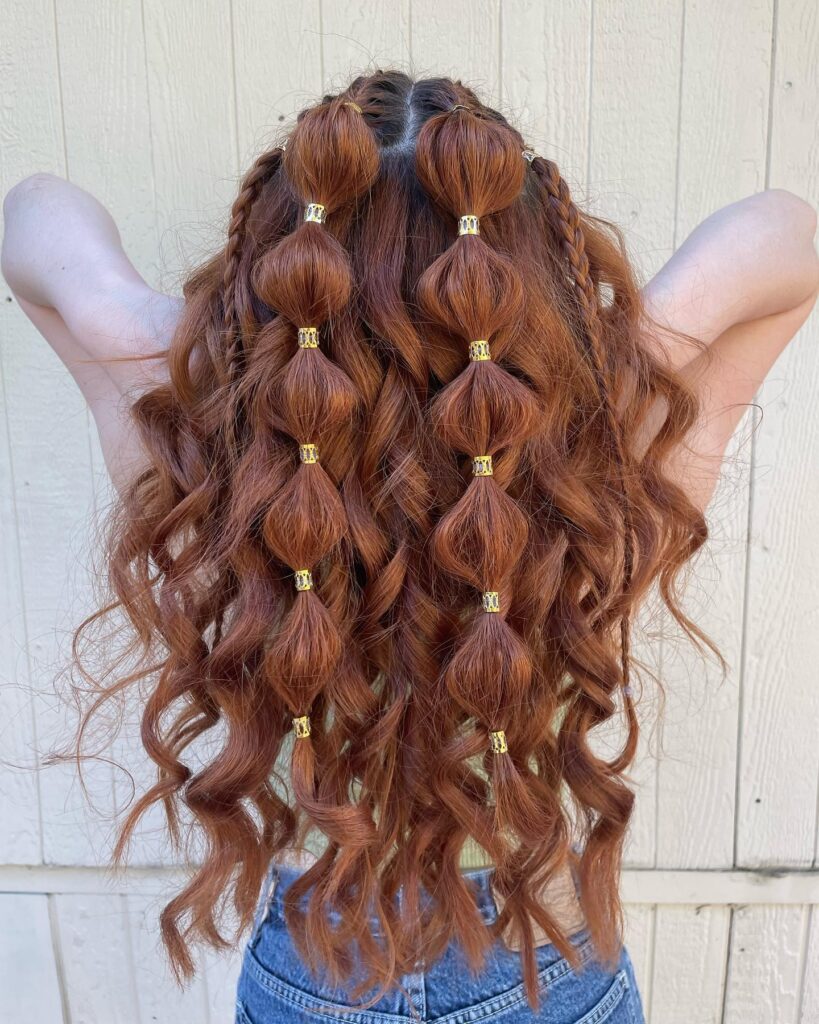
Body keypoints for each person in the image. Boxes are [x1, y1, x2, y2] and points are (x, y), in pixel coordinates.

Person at [2, 70, 817, 1024]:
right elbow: (785, 232)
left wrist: (176, 339)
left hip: (319, 972)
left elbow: (33, 214)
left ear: (275, 282)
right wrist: (608, 353)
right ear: (528, 284)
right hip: (545, 966)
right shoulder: (611, 446)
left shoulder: (201, 453)